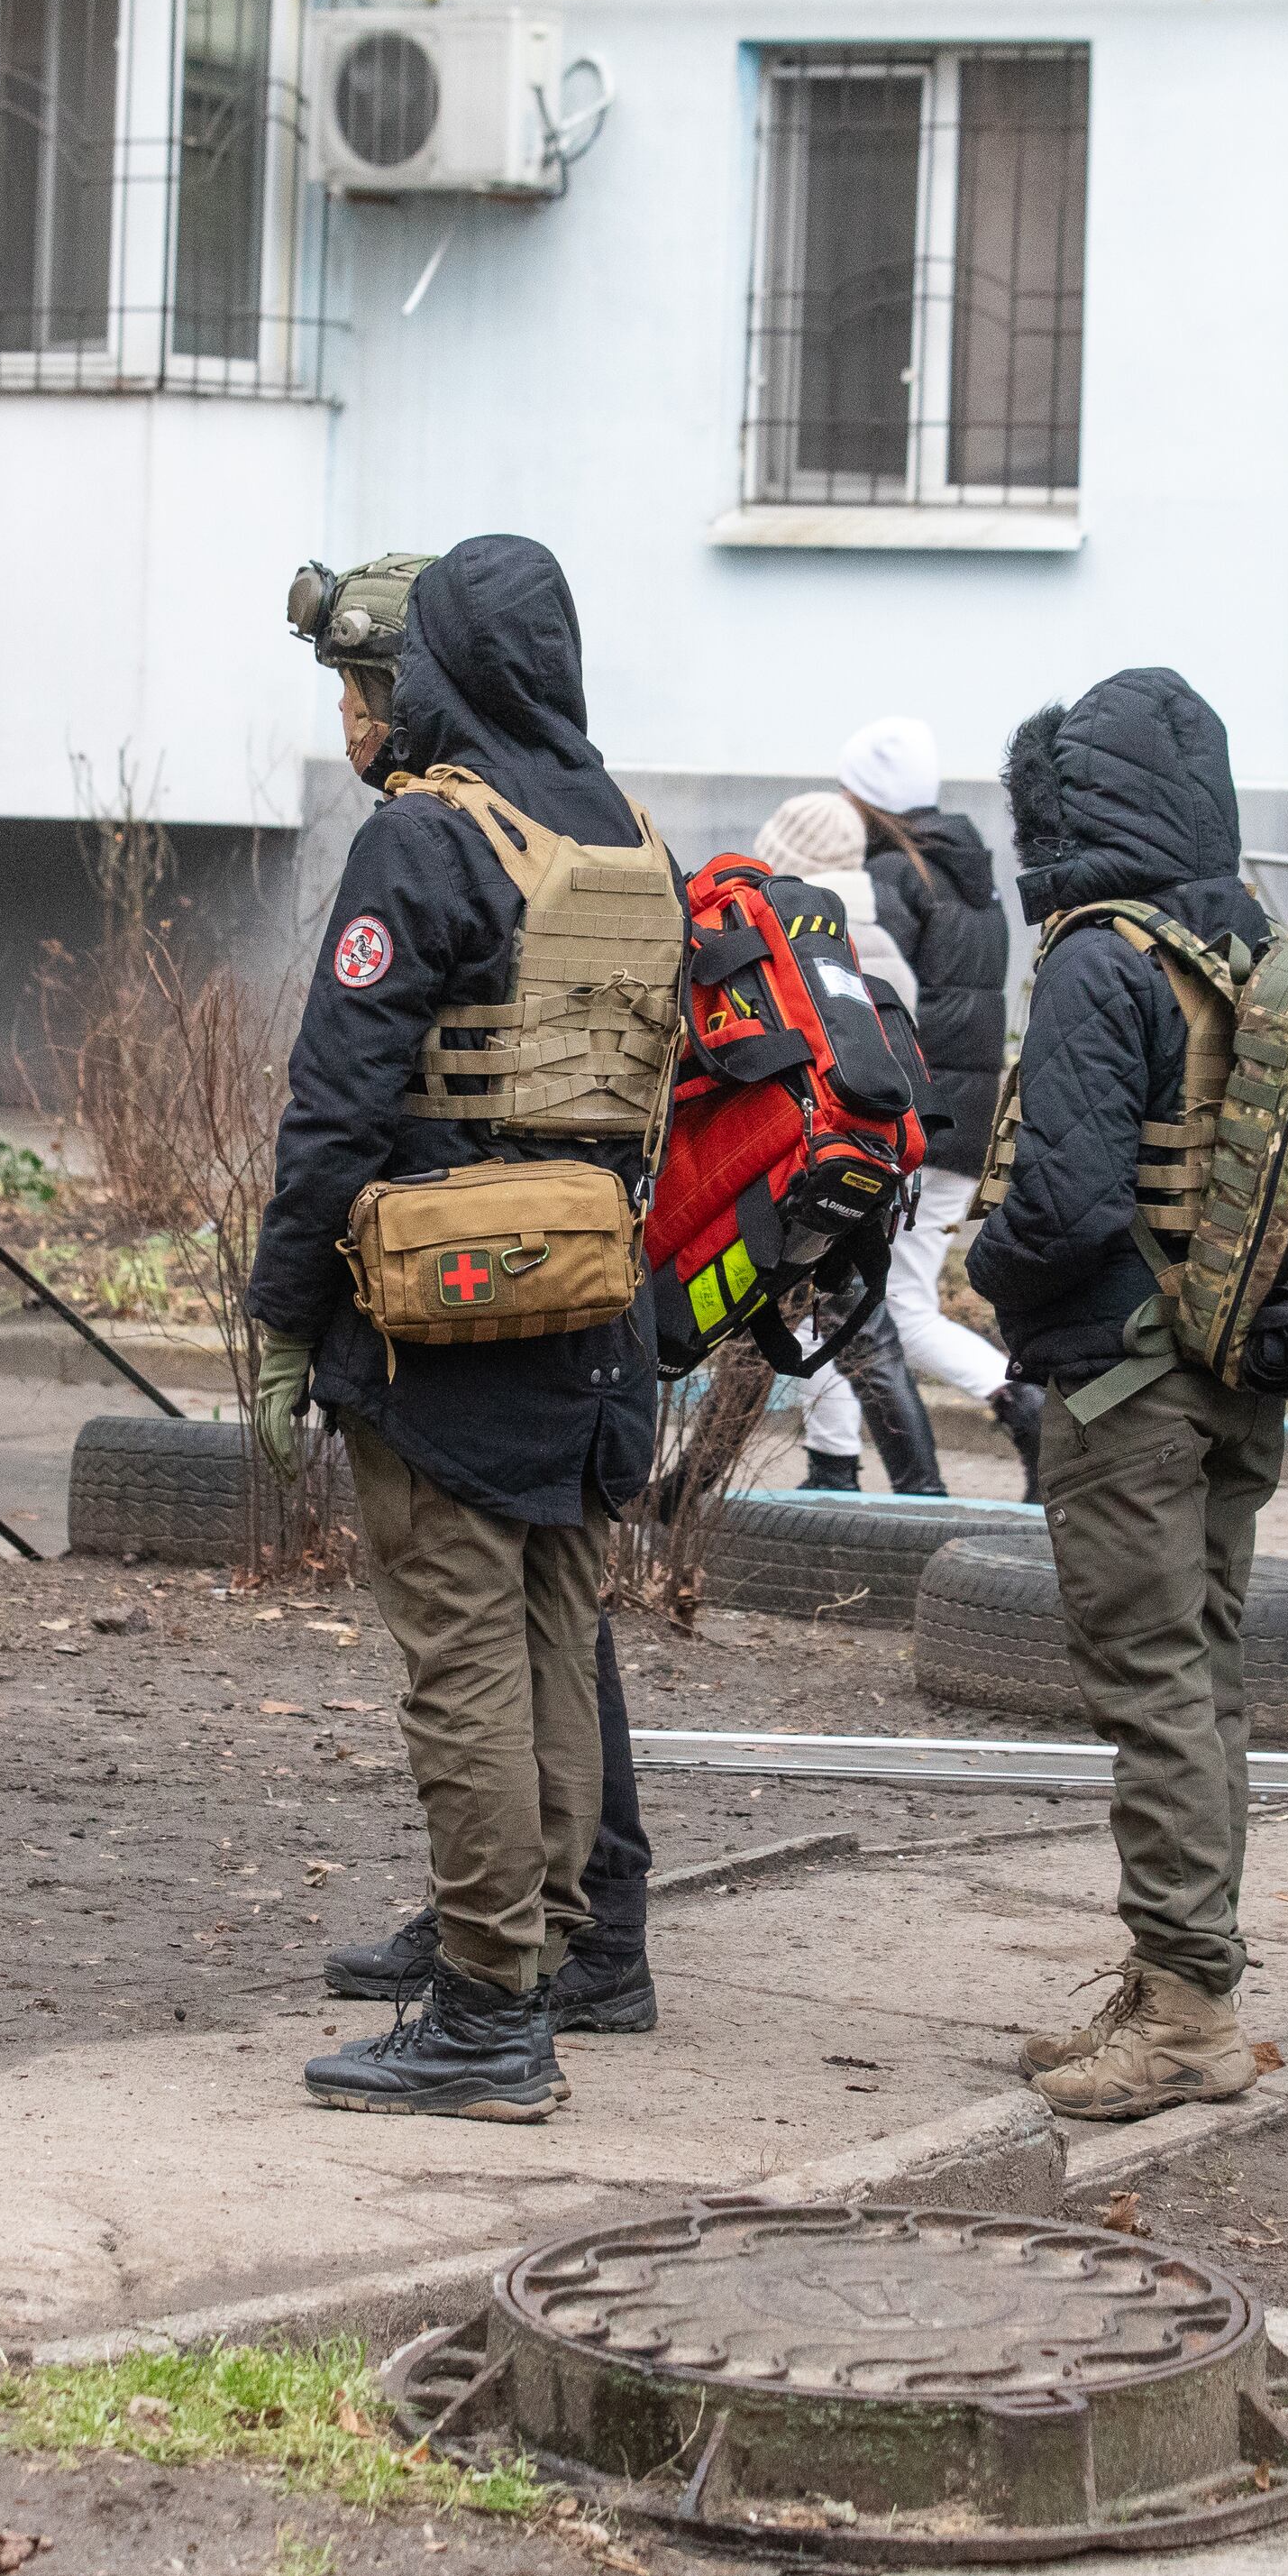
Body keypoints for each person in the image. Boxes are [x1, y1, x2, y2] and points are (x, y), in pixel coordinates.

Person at [252, 536, 681, 2122]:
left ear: (436, 667)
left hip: (442, 1319)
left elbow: (337, 1105)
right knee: (553, 1640)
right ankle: (545, 1956)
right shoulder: (629, 833)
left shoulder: (428, 838)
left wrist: (280, 1316)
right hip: (595, 1313)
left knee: (463, 1665)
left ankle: (490, 2011)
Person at [967, 668, 1282, 2122]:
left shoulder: (1103, 957)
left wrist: (993, 1272)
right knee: (1203, 1681)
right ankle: (1178, 1977)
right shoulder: (1247, 941)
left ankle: (1189, 2014)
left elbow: (1066, 1201)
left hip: (1126, 1380)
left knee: (1152, 1688)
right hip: (1236, 1366)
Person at [840, 717, 1046, 1498]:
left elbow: (874, 1008)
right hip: (964, 1120)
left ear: (864, 798)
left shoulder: (893, 879)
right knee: (847, 1301)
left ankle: (1023, 1402)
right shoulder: (972, 878)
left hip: (911, 1129)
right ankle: (831, 1462)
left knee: (889, 1304)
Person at [753, 789, 951, 1499]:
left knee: (851, 1332)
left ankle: (920, 1489)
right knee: (836, 1324)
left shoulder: (802, 943)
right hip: (865, 1166)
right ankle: (845, 1468)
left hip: (807, 1165)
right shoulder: (879, 938)